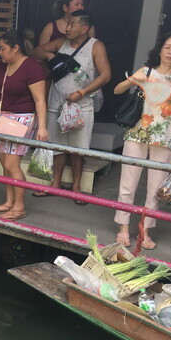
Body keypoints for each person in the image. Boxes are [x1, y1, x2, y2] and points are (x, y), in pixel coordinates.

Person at [113, 32, 171, 249]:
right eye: (167, 47)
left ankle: (144, 230)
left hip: (167, 137)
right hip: (138, 133)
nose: (170, 51)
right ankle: (123, 227)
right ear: (159, 49)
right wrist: (133, 79)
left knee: (156, 188)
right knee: (128, 183)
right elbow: (117, 89)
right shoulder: (145, 72)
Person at [31, 11, 111, 202]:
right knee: (57, 146)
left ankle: (76, 188)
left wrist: (82, 93)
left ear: (84, 28)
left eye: (72, 24)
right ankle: (55, 184)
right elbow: (35, 52)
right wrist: (51, 55)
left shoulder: (96, 46)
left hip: (81, 106)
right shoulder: (60, 44)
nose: (67, 28)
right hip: (57, 104)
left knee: (78, 149)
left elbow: (105, 75)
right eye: (67, 23)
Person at [0, 30, 48, 221]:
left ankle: (20, 206)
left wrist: (42, 127)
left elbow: (40, 100)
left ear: (16, 48)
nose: (0, 52)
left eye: (2, 48)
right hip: (2, 118)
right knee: (4, 163)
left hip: (22, 118)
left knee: (12, 164)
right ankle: (9, 201)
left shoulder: (32, 67)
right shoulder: (2, 65)